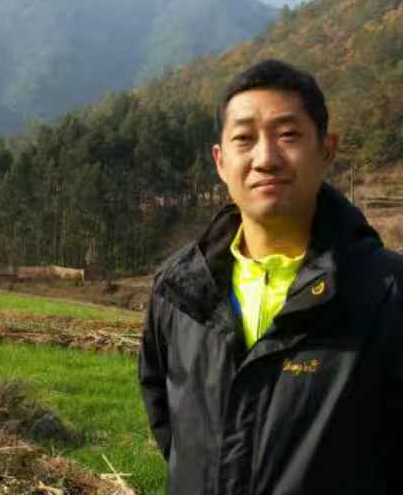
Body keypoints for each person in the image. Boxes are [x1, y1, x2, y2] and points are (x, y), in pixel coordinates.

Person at [138, 59, 403, 495]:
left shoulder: (385, 294)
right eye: (244, 139)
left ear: (327, 151)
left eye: (288, 135)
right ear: (221, 162)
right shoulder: (179, 290)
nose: (265, 159)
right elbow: (171, 427)